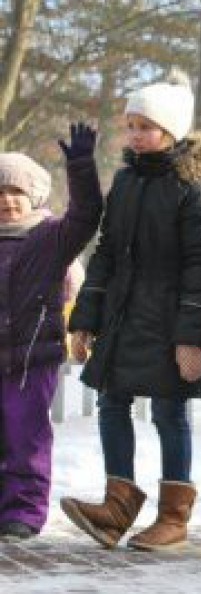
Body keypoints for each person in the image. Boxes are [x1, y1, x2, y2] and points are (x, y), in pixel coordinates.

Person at [62, 71, 201, 552]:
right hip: (123, 316)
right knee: (112, 401)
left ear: (170, 130)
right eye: (130, 125)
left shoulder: (192, 187)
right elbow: (106, 253)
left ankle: (173, 517)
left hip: (172, 321)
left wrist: (191, 338)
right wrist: (85, 319)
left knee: (171, 411)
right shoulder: (126, 181)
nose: (134, 134)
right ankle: (117, 507)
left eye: (145, 126)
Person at [0, 136, 103, 540]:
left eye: (16, 192)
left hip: (32, 358)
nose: (7, 201)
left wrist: (80, 169)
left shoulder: (49, 237)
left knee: (25, 435)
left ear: (34, 196)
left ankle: (23, 512)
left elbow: (86, 215)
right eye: (0, 193)